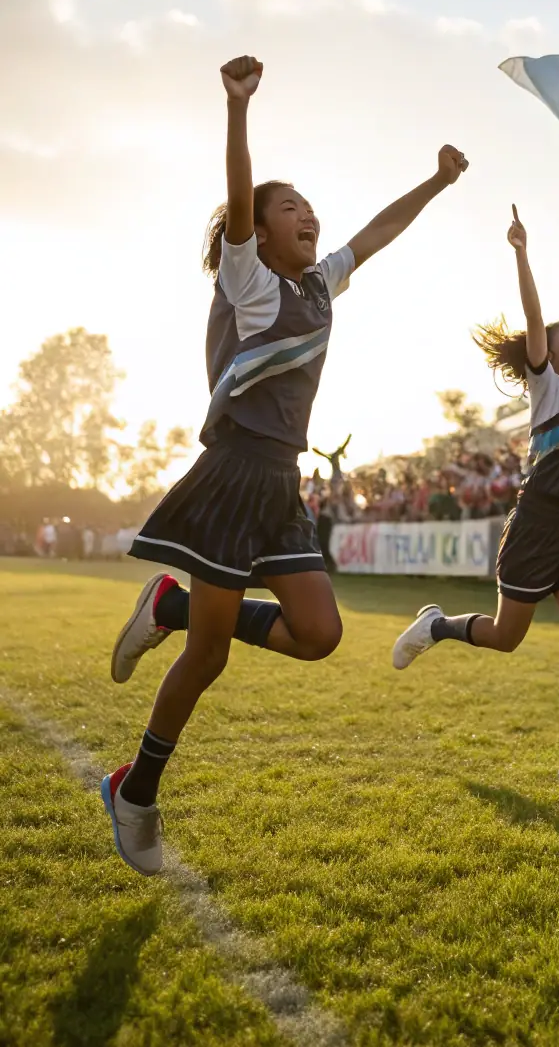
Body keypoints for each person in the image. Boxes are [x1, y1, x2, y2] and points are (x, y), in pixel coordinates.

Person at [101, 55, 468, 876]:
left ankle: (172, 603)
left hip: (283, 482)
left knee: (320, 633)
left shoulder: (322, 287)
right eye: (287, 207)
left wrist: (436, 183)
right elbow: (240, 194)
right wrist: (237, 111)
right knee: (210, 654)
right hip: (235, 472)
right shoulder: (250, 278)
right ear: (257, 232)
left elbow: (374, 233)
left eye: (308, 205)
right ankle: (136, 790)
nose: (305, 214)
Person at [391, 205, 559, 782]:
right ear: (548, 349)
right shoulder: (545, 389)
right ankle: (436, 625)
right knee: (505, 637)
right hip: (536, 527)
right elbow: (534, 317)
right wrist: (522, 253)